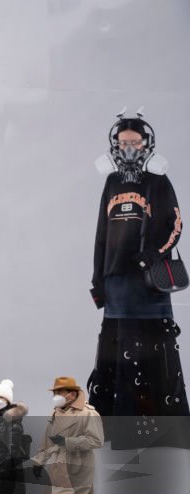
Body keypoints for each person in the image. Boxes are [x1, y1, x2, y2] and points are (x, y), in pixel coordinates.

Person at [87, 111, 187, 449]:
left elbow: (175, 227)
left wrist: (151, 256)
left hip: (148, 287)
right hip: (116, 286)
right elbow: (101, 235)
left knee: (153, 355)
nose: (129, 148)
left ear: (146, 143)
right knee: (117, 356)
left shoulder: (158, 181)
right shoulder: (112, 182)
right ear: (115, 144)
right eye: (123, 142)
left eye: (135, 142)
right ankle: (119, 433)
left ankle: (165, 436)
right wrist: (97, 279)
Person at [31, 377, 103, 494]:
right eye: (55, 393)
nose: (56, 396)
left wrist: (68, 442)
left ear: (71, 394)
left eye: (59, 393)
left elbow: (96, 440)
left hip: (78, 467)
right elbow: (47, 439)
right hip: (58, 467)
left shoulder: (88, 414)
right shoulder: (56, 412)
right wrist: (39, 462)